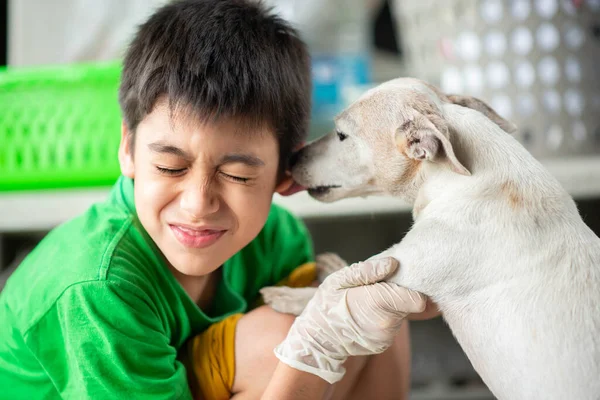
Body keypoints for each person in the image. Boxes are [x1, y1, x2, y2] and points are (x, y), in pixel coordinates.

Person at [0, 1, 434, 399]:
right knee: (289, 340)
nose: (197, 204)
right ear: (129, 150)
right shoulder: (95, 287)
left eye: (237, 174)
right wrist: (313, 346)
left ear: (287, 171)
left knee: (372, 318)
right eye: (171, 167)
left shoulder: (277, 238)